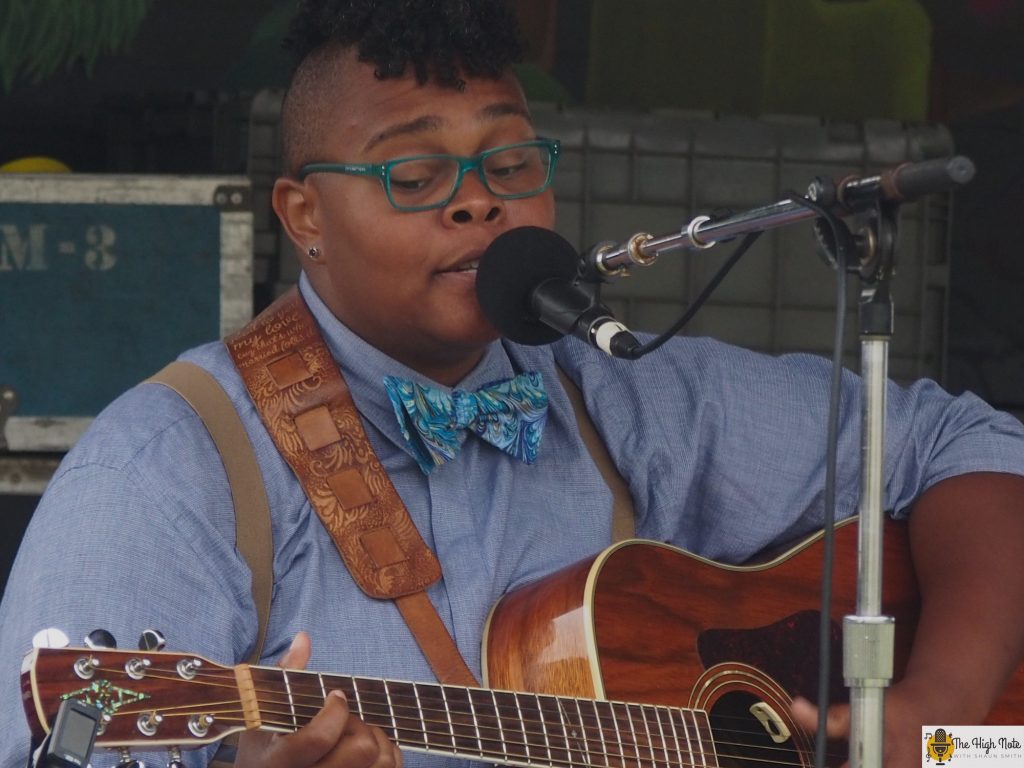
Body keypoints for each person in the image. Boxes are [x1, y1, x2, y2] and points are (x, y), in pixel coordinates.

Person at [2, 2, 1023, 768]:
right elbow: (74, 737)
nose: (476, 205)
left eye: (507, 160)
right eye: (413, 176)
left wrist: (932, 705)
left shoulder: (617, 394)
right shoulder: (164, 470)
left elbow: (966, 447)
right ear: (303, 215)